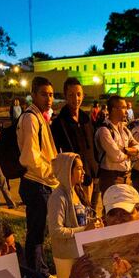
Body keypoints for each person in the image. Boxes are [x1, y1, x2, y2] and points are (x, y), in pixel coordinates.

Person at [47, 153, 99, 278]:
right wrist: (83, 230)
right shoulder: (58, 196)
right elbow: (55, 230)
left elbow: (81, 220)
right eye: (78, 168)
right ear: (66, 171)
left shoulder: (77, 191)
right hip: (65, 253)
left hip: (79, 250)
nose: (82, 171)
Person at [17, 76, 59, 278]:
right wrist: (52, 174)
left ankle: (39, 270)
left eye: (51, 94)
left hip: (41, 181)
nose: (48, 99)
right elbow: (30, 156)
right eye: (44, 94)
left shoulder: (40, 117)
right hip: (36, 182)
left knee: (39, 230)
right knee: (35, 232)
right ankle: (36, 275)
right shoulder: (30, 118)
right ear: (33, 94)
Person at [51, 78, 98, 214]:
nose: (75, 98)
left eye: (78, 94)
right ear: (65, 96)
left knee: (90, 211)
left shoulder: (86, 119)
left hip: (89, 175)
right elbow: (56, 152)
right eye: (71, 95)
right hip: (72, 177)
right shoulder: (59, 123)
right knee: (78, 213)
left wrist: (95, 169)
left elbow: (92, 147)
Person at [94, 95, 139, 197]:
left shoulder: (124, 129)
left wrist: (126, 151)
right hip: (111, 177)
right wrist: (130, 153)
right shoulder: (104, 130)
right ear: (114, 109)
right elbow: (116, 156)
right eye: (123, 107)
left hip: (126, 176)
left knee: (127, 209)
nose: (127, 111)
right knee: (113, 210)